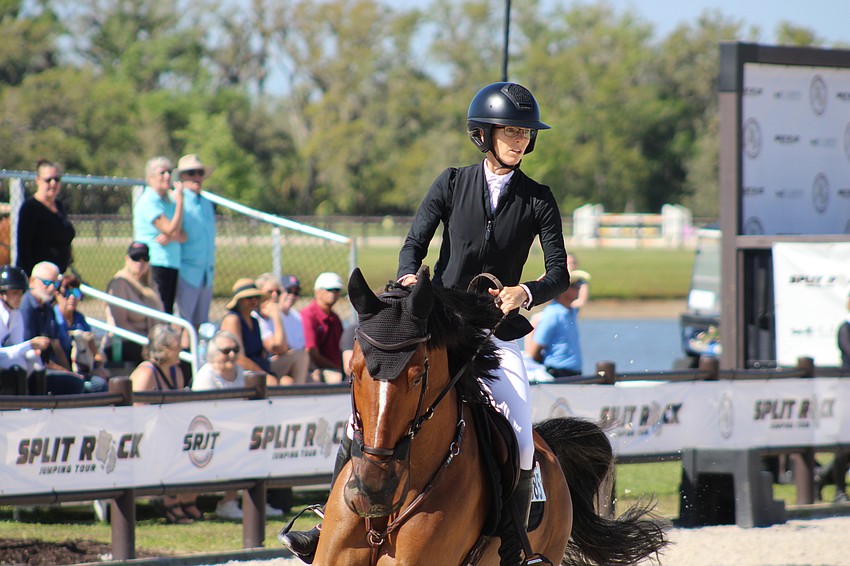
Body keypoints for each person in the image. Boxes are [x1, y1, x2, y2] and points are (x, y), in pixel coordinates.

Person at [281, 82, 569, 564]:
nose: (520, 140)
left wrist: (527, 292)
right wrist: (409, 275)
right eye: (510, 131)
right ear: (485, 135)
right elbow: (414, 243)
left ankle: (514, 541)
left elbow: (558, 271)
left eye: (525, 133)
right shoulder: (451, 182)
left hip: (495, 335)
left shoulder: (538, 198)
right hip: (438, 327)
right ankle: (325, 520)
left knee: (520, 435)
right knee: (371, 415)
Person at [191, 329, 284, 519]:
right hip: (212, 434)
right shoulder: (206, 376)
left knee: (260, 439)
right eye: (226, 351)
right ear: (213, 353)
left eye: (235, 350)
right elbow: (204, 414)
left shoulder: (241, 373)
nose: (232, 355)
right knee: (242, 445)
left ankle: (256, 500)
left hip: (239, 429)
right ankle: (229, 501)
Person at [127, 324, 202, 523]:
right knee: (168, 442)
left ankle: (185, 499)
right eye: (177, 346)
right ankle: (169, 501)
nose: (181, 350)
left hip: (167, 433)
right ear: (163, 349)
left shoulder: (175, 371)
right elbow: (135, 415)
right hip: (142, 438)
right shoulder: (146, 373)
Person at [19, 261, 86, 394]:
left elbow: (56, 345)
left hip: (48, 367)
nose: (51, 289)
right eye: (47, 283)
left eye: (55, 284)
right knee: (76, 385)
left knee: (94, 384)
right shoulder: (25, 307)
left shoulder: (47, 307)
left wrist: (69, 372)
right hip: (31, 370)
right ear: (32, 281)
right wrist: (67, 374)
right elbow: (32, 352)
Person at [132, 156, 185, 314]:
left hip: (171, 262)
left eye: (169, 172)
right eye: (162, 172)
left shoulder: (168, 202)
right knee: (157, 310)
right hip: (155, 262)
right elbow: (170, 228)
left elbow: (182, 235)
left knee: (167, 311)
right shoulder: (149, 201)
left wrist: (171, 235)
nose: (167, 176)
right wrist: (181, 201)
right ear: (150, 177)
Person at [105, 242, 165, 365]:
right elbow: (120, 323)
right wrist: (148, 342)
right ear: (127, 259)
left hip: (149, 341)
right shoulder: (119, 283)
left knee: (178, 355)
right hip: (125, 342)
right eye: (136, 258)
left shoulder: (151, 285)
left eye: (145, 259)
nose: (140, 263)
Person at [175, 154, 216, 329]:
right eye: (192, 173)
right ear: (182, 176)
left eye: (200, 173)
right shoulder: (176, 200)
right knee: (182, 324)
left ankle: (197, 356)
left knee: (201, 324)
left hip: (206, 273)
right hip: (186, 272)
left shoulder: (206, 202)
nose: (197, 177)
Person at [526, 270, 591, 379]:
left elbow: (582, 301)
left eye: (579, 284)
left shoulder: (571, 311)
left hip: (573, 374)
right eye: (575, 285)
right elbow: (535, 349)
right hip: (557, 374)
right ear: (563, 290)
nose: (579, 288)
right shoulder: (552, 314)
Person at [15, 159, 76, 277]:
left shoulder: (59, 206)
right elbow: (24, 249)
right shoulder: (30, 208)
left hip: (58, 275)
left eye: (56, 179)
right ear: (38, 180)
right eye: (48, 180)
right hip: (40, 279)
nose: (53, 183)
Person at [0, 265, 51, 392]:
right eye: (14, 293)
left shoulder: (16, 314)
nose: (19, 297)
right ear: (2, 294)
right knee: (19, 363)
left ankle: (38, 404)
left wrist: (31, 348)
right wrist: (30, 344)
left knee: (34, 358)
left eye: (21, 293)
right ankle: (20, 405)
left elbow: (17, 344)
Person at [54, 274, 108, 392]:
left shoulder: (79, 319)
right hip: (61, 371)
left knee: (102, 384)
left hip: (83, 370)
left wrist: (98, 367)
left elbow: (96, 354)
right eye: (67, 292)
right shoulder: (53, 318)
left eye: (76, 292)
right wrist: (70, 374)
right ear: (57, 295)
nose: (72, 297)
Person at [255, 273, 311, 384]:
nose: (275, 295)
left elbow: (299, 347)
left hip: (274, 364)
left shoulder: (291, 316)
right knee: (300, 356)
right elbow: (278, 347)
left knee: (289, 380)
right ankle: (299, 394)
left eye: (278, 292)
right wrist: (276, 315)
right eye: (270, 292)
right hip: (258, 366)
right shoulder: (257, 317)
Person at [219, 278, 277, 384]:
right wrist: (263, 375)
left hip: (257, 370)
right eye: (249, 298)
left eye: (257, 297)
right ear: (239, 300)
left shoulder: (254, 321)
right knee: (272, 383)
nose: (254, 301)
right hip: (239, 374)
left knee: (288, 380)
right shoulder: (232, 320)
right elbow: (237, 358)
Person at [300, 272, 347, 384]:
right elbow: (312, 353)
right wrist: (337, 367)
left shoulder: (335, 318)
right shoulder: (308, 315)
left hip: (335, 366)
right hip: (319, 368)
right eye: (329, 290)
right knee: (336, 379)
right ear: (317, 291)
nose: (333, 293)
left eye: (336, 290)